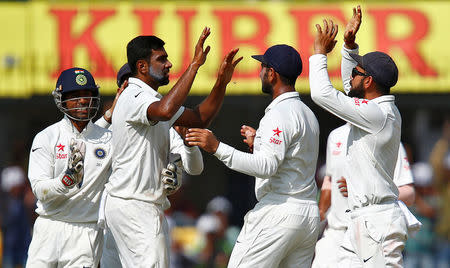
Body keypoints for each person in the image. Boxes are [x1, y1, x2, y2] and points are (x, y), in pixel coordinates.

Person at [104, 27, 242, 267]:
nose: (168, 64)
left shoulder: (153, 101)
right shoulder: (135, 95)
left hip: (131, 206)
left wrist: (221, 82)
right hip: (136, 206)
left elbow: (199, 120)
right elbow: (167, 111)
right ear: (142, 67)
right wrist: (195, 65)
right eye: (161, 59)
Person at [186, 44, 320, 267]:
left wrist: (216, 147)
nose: (260, 73)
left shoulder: (279, 113)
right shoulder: (307, 113)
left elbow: (267, 166)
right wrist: (260, 142)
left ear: (272, 73)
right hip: (307, 217)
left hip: (279, 212)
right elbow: (291, 156)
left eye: (262, 68)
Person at [309, 5, 408, 267]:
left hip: (377, 224)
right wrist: (349, 47)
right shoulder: (377, 110)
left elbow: (324, 95)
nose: (351, 75)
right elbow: (349, 91)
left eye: (356, 72)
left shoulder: (378, 115)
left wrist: (319, 53)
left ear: (368, 82)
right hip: (363, 222)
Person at [99, 63, 205, 268]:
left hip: (140, 214)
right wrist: (109, 115)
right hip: (112, 220)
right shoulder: (107, 128)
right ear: (121, 89)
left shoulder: (162, 122)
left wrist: (187, 147)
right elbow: (89, 149)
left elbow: (196, 168)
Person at [26, 67, 112, 267]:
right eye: (74, 95)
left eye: (87, 95)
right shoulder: (47, 137)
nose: (82, 101)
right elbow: (40, 190)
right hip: (49, 228)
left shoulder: (109, 141)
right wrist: (67, 180)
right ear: (60, 99)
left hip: (86, 233)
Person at [312, 122, 415, 268]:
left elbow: (409, 194)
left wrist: (363, 190)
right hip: (335, 232)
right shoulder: (335, 135)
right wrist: (321, 211)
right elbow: (329, 180)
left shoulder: (387, 135)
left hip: (370, 233)